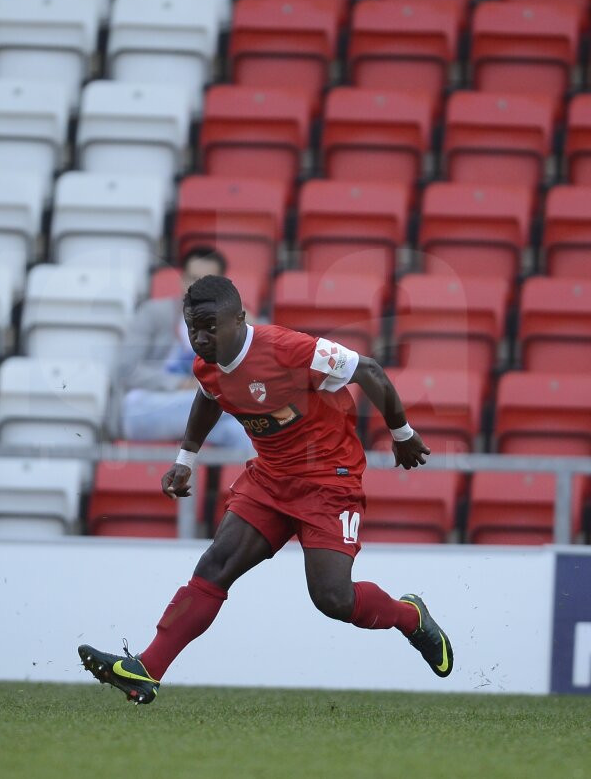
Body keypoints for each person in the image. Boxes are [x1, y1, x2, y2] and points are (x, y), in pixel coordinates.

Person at [78, 274, 453, 704]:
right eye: (192, 328)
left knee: (332, 598)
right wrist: (185, 460)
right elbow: (208, 395)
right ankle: (148, 667)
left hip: (329, 482)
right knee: (215, 566)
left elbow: (367, 370)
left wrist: (402, 433)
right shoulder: (209, 365)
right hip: (270, 479)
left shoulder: (287, 349)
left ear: (239, 320)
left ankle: (410, 616)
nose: (200, 338)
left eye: (210, 327)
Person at [116, 247, 248, 450]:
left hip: (205, 408)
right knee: (236, 404)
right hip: (144, 408)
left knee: (240, 434)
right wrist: (182, 384)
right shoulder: (154, 313)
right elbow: (126, 369)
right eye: (192, 279)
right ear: (182, 280)